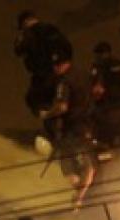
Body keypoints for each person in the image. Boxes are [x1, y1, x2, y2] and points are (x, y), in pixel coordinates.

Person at [40, 56, 97, 210]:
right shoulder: (84, 75)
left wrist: (47, 114)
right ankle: (80, 195)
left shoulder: (64, 82)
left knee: (73, 166)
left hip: (72, 129)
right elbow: (98, 91)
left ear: (59, 66)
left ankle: (78, 199)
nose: (54, 69)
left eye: (55, 66)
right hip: (89, 126)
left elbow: (62, 107)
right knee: (83, 165)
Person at [14, 10, 74, 115]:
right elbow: (66, 46)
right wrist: (63, 62)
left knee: (37, 99)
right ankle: (54, 124)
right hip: (56, 71)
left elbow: (19, 51)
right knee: (55, 99)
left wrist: (19, 40)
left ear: (25, 22)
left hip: (45, 73)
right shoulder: (51, 29)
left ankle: (52, 124)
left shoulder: (30, 33)